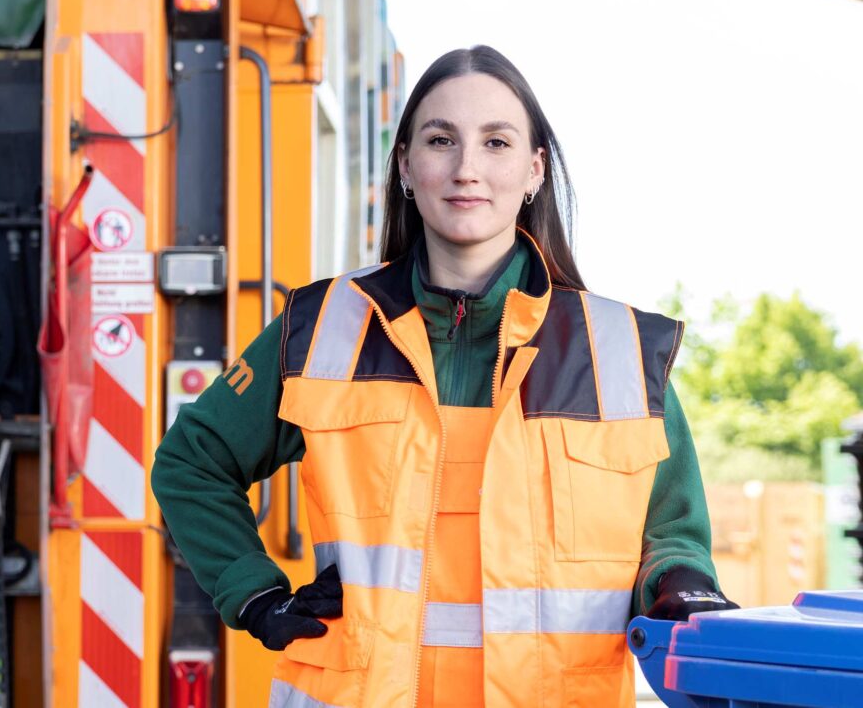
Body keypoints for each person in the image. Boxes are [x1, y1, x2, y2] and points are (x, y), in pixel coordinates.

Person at [152, 45, 737, 708]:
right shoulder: (321, 331)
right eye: (440, 140)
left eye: (495, 142)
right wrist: (252, 593)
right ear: (404, 166)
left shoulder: (620, 352)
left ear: (534, 170)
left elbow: (673, 532)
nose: (467, 169)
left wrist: (681, 584)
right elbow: (190, 463)